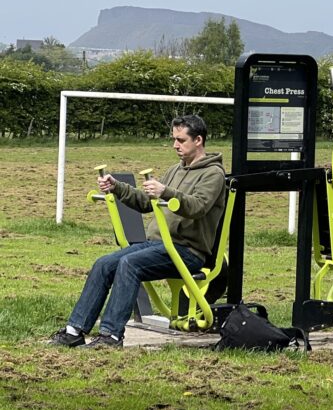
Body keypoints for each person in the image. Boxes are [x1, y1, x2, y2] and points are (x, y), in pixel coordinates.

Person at [50, 115, 226, 349]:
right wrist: (117, 187)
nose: (175, 145)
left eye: (181, 140)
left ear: (198, 140)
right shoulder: (176, 170)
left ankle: (111, 336)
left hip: (187, 251)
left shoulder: (213, 174)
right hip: (159, 245)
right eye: (174, 139)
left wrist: (165, 192)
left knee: (130, 264)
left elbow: (197, 207)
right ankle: (74, 331)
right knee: (103, 264)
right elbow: (145, 202)